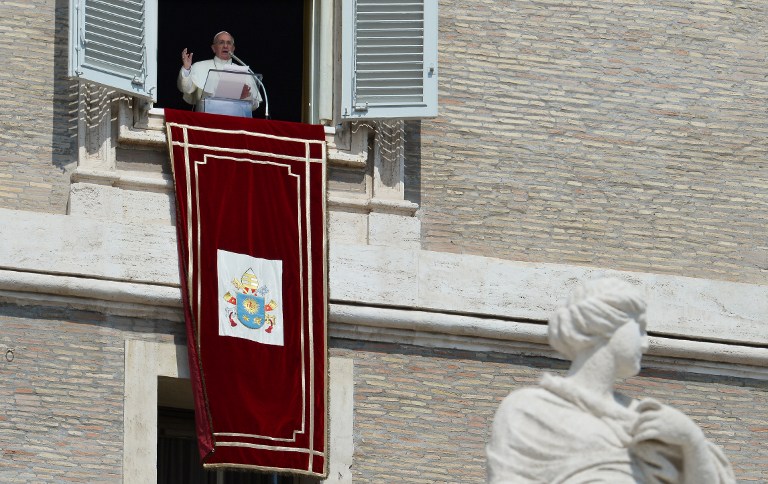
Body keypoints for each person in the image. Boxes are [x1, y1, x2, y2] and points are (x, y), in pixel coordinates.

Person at [486, 278, 735, 484]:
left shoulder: (653, 420)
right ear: (602, 322)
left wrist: (692, 443)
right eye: (639, 328)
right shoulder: (528, 410)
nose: (646, 343)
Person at [177, 31, 261, 110]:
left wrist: (244, 97)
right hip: (205, 121)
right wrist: (187, 69)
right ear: (213, 48)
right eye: (221, 42)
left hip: (235, 121)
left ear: (233, 48)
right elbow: (185, 89)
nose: (225, 46)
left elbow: (255, 104)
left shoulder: (244, 72)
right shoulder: (199, 66)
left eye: (229, 43)